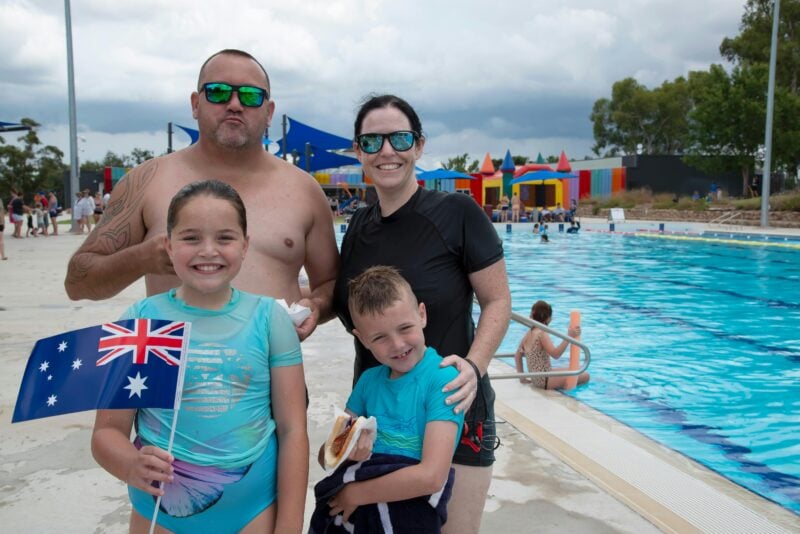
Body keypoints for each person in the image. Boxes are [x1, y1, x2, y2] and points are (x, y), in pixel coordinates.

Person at [64, 49, 339, 341]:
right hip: (175, 380)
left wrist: (316, 307)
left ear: (269, 112)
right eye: (218, 92)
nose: (234, 104)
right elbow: (78, 282)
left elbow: (331, 283)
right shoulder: (147, 181)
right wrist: (142, 258)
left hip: (272, 378)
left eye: (250, 96)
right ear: (196, 104)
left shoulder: (304, 190)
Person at [333, 94, 511, 534]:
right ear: (358, 151)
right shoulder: (358, 226)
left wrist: (476, 365)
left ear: (419, 145)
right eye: (372, 141)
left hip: (453, 403)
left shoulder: (457, 213)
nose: (387, 150)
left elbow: (498, 300)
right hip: (381, 415)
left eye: (400, 138)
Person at [91, 180, 308, 533]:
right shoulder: (143, 321)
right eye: (191, 238)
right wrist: (130, 464)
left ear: (245, 245)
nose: (208, 250)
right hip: (160, 510)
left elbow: (293, 429)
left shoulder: (269, 319)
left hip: (253, 509)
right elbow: (106, 433)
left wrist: (290, 524)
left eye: (225, 238)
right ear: (169, 245)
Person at [311, 266, 464, 531]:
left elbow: (432, 477)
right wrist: (344, 450)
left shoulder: (442, 381)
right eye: (380, 337)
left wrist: (355, 494)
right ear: (362, 339)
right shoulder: (369, 382)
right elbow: (326, 458)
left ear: (422, 315)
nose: (397, 345)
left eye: (405, 328)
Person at [514, 300, 589, 389]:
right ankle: (567, 390)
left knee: (576, 370)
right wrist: (569, 337)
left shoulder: (529, 333)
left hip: (536, 378)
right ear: (548, 318)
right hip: (544, 379)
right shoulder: (541, 333)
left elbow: (517, 355)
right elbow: (556, 354)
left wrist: (522, 378)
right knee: (585, 375)